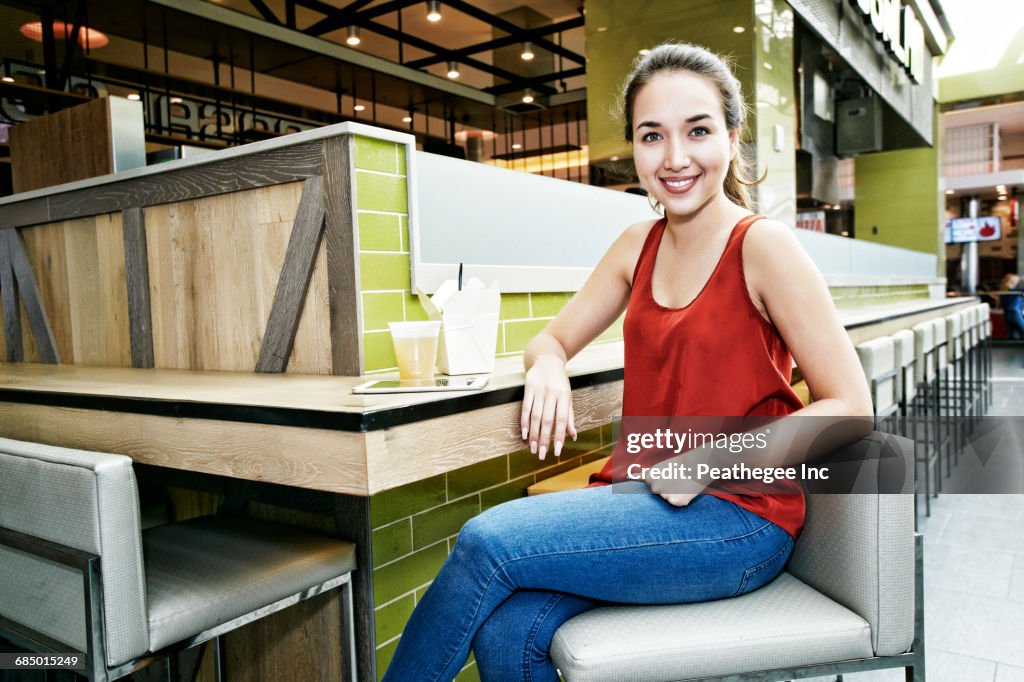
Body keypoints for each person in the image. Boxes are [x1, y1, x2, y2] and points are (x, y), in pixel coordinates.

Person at [381, 43, 872, 682]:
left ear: (731, 136)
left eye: (697, 130)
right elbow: (549, 341)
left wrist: (710, 460)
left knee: (487, 541)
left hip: (737, 519)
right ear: (634, 149)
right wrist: (549, 365)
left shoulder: (764, 247)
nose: (674, 158)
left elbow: (850, 409)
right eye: (651, 136)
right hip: (640, 501)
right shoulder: (634, 246)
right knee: (508, 630)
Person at [999, 273, 1024, 339]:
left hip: (1006, 314)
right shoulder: (1013, 291)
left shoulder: (1003, 290)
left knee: (1011, 335)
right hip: (1014, 313)